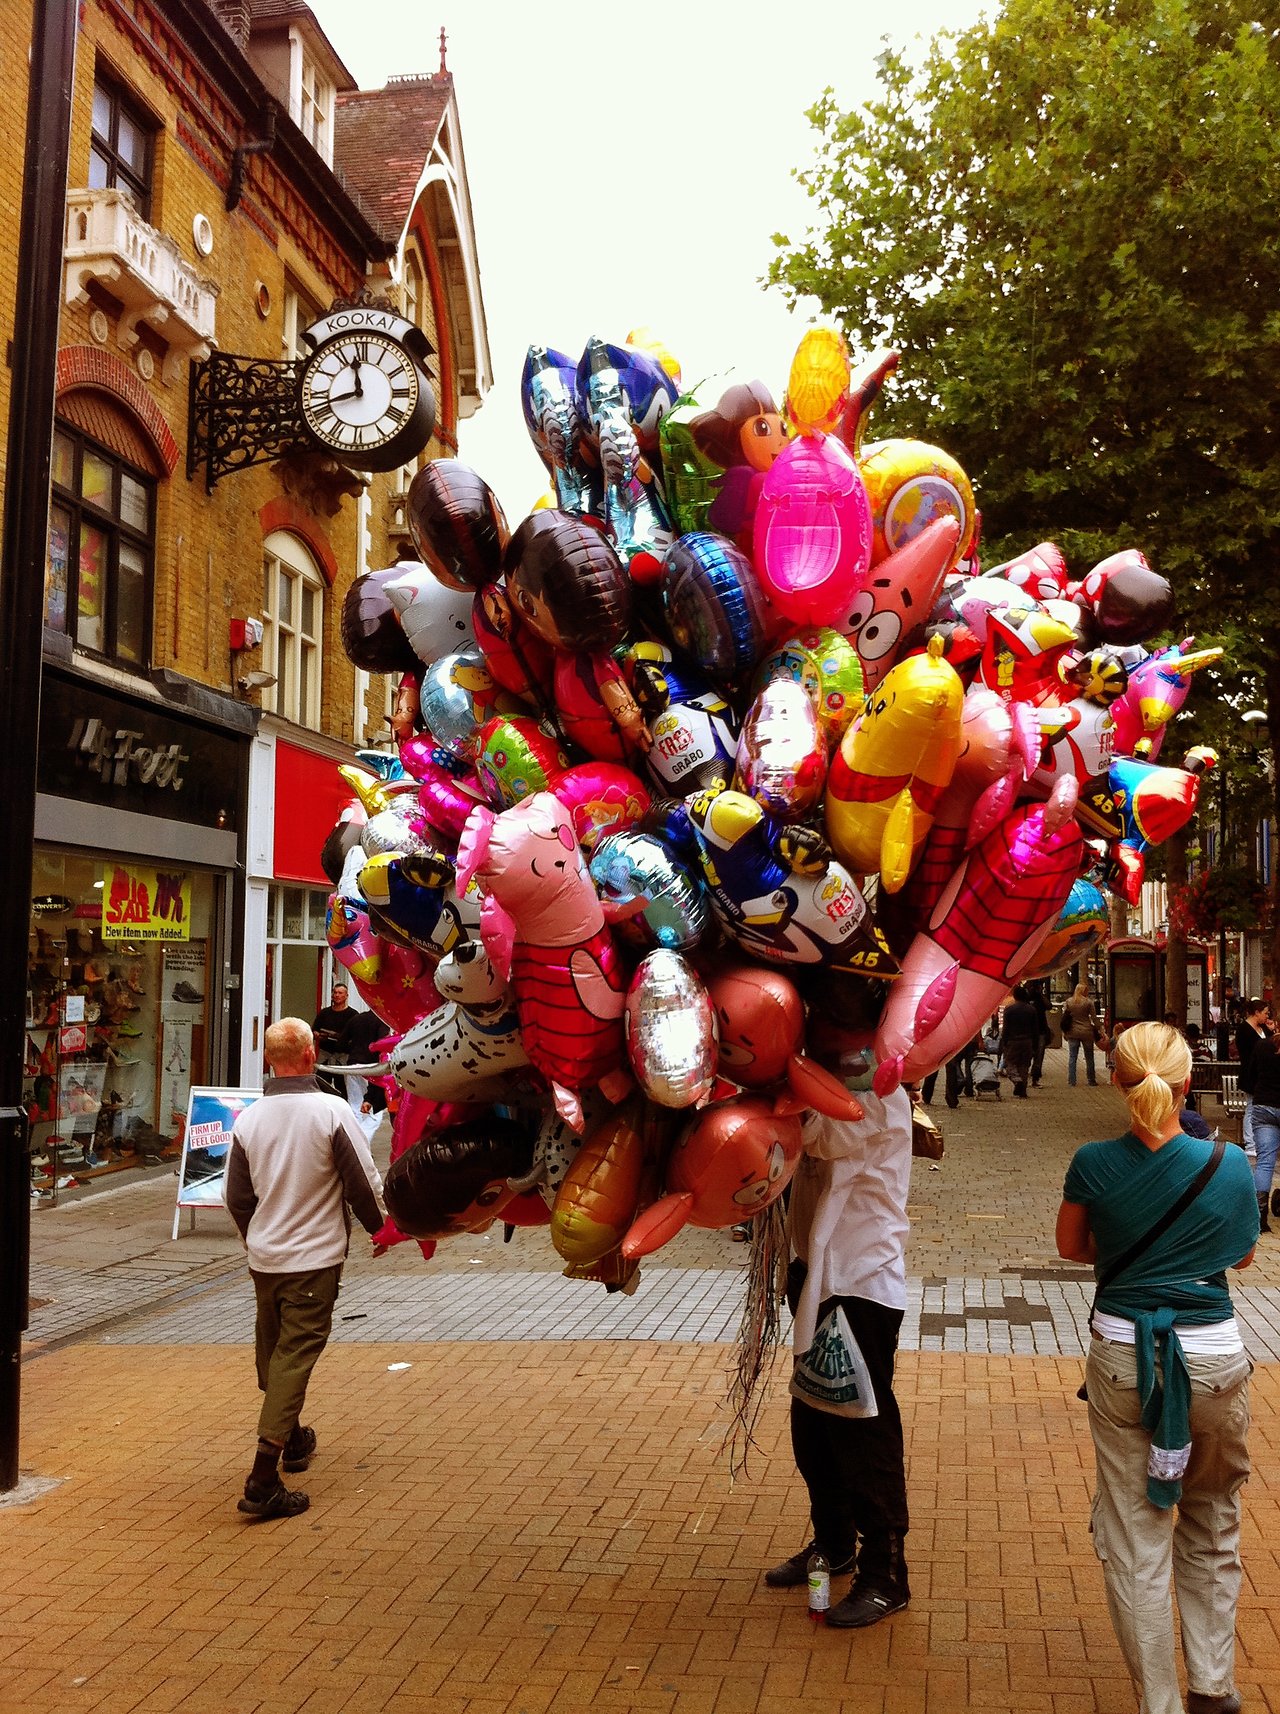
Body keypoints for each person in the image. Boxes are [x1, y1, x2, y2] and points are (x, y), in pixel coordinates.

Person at [1056, 1022, 1258, 1714]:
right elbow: (1244, 1257)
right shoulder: (1227, 1165)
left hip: (1124, 1360)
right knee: (1212, 1516)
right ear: (1186, 1083)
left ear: (1117, 1080)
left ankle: (1162, 1705)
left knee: (1135, 1533)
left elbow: (1072, 1248)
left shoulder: (1091, 1162)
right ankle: (1214, 1685)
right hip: (1214, 1358)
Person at [764, 1025, 912, 1630]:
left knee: (861, 1430)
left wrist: (766, 1083)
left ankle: (887, 1573)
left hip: (859, 1283)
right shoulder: (830, 1081)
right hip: (816, 1276)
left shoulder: (879, 1093)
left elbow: (817, 1136)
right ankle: (834, 1540)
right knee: (814, 1424)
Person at [225, 1017, 385, 1521]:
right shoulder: (331, 1111)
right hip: (314, 1258)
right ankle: (263, 1477)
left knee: (272, 1351)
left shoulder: (248, 1120)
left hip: (265, 1258)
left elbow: (236, 1196)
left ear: (270, 1060)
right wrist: (381, 1229)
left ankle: (293, 1440)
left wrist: (257, 1236)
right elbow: (362, 1182)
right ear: (311, 1055)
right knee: (293, 1356)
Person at [1243, 1027, 1280, 1235]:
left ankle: (1260, 1218)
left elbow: (1251, 1074)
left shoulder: (1263, 1046)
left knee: (1265, 1162)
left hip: (1264, 1106)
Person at [1233, 995, 1270, 1166]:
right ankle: (1250, 1142)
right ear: (1256, 1013)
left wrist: (1271, 1030)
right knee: (1251, 1106)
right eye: (1264, 1013)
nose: (1266, 1016)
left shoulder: (1263, 1029)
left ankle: (1257, 1140)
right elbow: (1249, 1052)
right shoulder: (1244, 1030)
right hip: (1252, 1074)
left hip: (1264, 1073)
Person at [342, 1004, 389, 1116]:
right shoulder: (383, 1022)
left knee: (354, 1103)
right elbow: (382, 1044)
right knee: (372, 1106)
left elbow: (341, 1042)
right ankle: (364, 1132)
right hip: (371, 1066)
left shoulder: (356, 1019)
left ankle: (353, 1130)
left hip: (353, 1063)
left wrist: (354, 1049)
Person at [312, 982, 354, 1097]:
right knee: (320, 1085)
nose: (336, 995)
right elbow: (315, 1029)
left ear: (346, 995)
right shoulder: (324, 1013)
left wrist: (339, 1037)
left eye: (340, 993)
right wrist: (318, 1035)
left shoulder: (353, 1015)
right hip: (325, 1055)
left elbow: (356, 1037)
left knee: (343, 1088)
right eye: (335, 992)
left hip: (342, 1057)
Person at [999, 985, 1039, 1098]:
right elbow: (1035, 1028)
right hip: (1027, 1041)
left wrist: (1004, 1041)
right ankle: (1023, 1091)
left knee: (1009, 1063)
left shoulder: (1009, 1009)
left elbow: (1006, 1028)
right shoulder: (1031, 1009)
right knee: (1024, 1066)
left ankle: (1017, 1081)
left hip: (1013, 1041)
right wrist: (1035, 1044)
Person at [1061, 980, 1100, 1087]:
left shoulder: (1069, 1002)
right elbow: (1094, 1018)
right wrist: (1100, 1029)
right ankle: (1091, 1080)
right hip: (1086, 1032)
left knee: (1072, 1056)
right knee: (1089, 1057)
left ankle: (1072, 1080)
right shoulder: (1088, 1002)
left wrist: (1065, 1032)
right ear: (1084, 991)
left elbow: (1065, 1018)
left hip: (1073, 1032)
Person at [1028, 980, 1051, 1087]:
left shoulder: (1038, 999)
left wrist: (1040, 995)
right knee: (1037, 1055)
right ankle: (1032, 1077)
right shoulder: (1029, 999)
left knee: (1037, 1055)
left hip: (1036, 1031)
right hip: (1036, 1031)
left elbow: (1049, 1005)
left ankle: (1034, 1077)